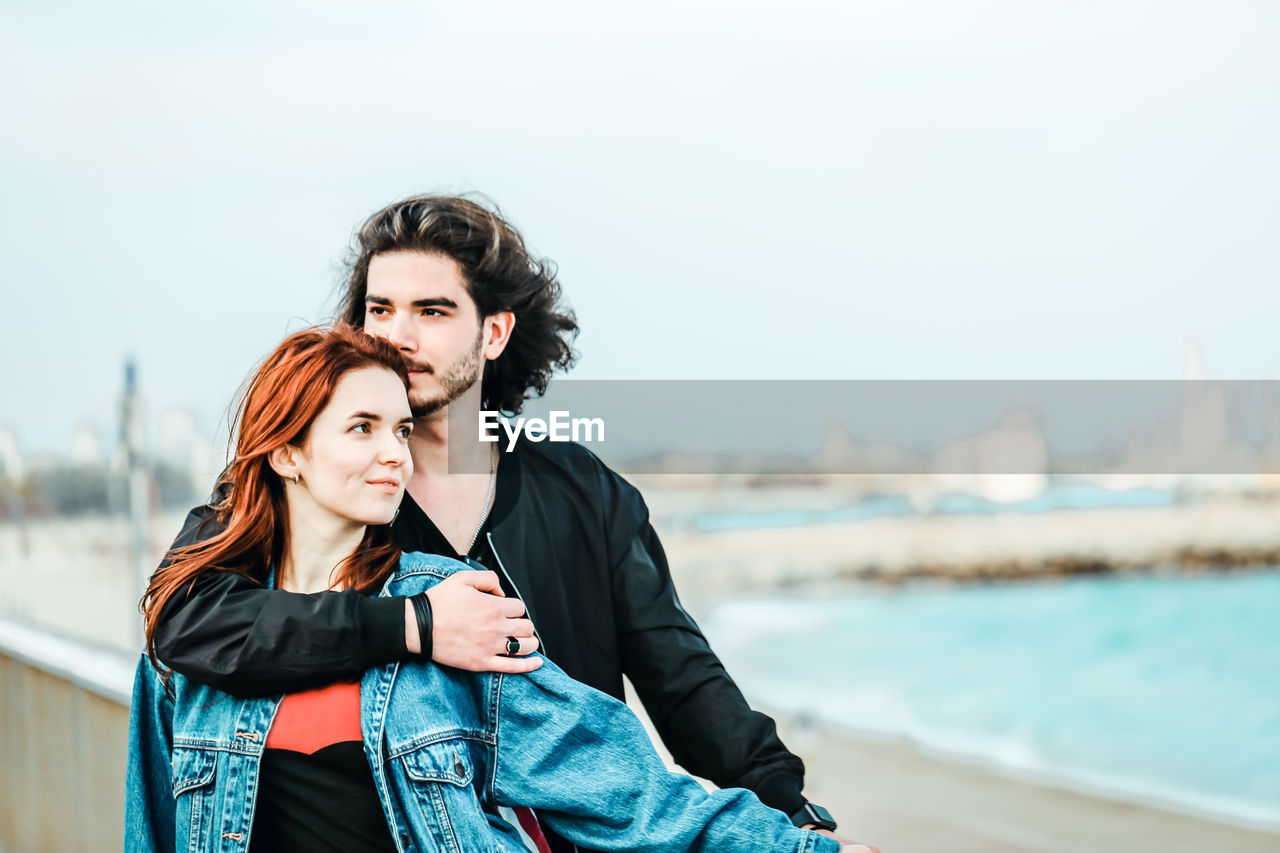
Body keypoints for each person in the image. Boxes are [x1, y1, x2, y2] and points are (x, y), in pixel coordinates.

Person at [150, 194, 852, 849]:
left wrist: (794, 818)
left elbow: (684, 681)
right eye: (379, 309)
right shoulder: (322, 493)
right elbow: (185, 615)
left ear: (494, 331)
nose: (396, 335)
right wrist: (418, 626)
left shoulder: (582, 491)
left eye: (431, 311)